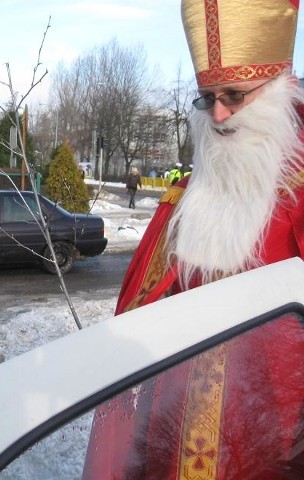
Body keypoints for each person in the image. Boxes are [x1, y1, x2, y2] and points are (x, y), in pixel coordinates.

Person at [85, 1, 304, 478]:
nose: (220, 115)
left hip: (275, 437)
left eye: (235, 94)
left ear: (278, 91)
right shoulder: (183, 198)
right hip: (173, 426)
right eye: (207, 98)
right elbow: (139, 316)